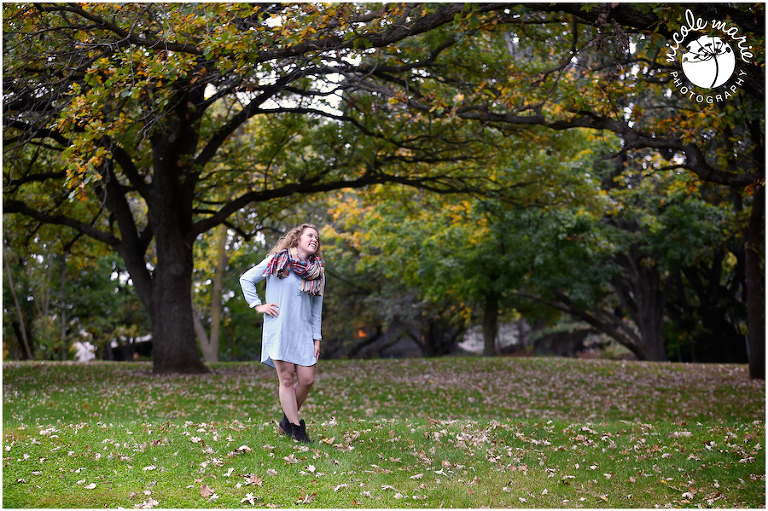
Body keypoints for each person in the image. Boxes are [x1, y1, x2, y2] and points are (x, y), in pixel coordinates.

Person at [239, 224, 324, 444]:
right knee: (286, 379)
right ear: (297, 239)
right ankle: (296, 430)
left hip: (304, 331)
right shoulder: (277, 261)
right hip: (280, 328)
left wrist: (317, 338)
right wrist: (258, 305)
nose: (314, 239)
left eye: (317, 237)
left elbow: (316, 309)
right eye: (310, 235)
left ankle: (286, 421)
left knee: (307, 379)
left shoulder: (317, 272)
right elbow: (246, 279)